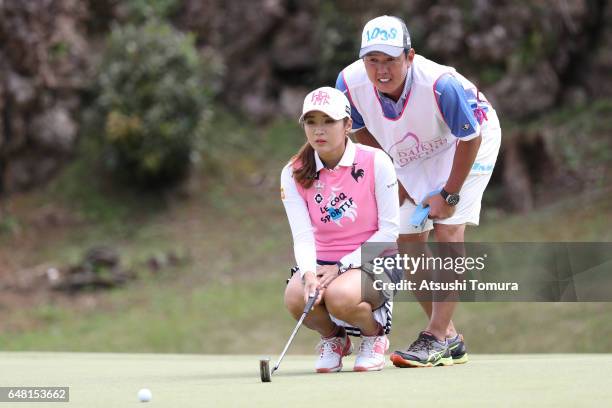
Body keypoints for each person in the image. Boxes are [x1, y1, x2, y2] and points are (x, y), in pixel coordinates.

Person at [336, 15, 502, 367]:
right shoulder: (348, 84)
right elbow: (360, 130)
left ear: (410, 57)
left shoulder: (441, 85)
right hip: (412, 148)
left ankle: (435, 336)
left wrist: (449, 195)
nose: (381, 70)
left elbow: (470, 137)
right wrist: (391, 177)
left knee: (447, 229)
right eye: (372, 60)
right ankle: (450, 337)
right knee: (408, 237)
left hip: (469, 141)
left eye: (391, 60)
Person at [281, 86, 401, 373]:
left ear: (347, 125)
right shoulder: (294, 171)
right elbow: (302, 235)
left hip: (376, 259)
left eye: (328, 121)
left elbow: (389, 232)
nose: (319, 130)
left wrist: (340, 266)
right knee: (296, 296)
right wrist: (309, 272)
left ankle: (374, 336)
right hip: (323, 264)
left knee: (339, 296)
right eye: (311, 122)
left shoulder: (376, 161)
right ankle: (334, 340)